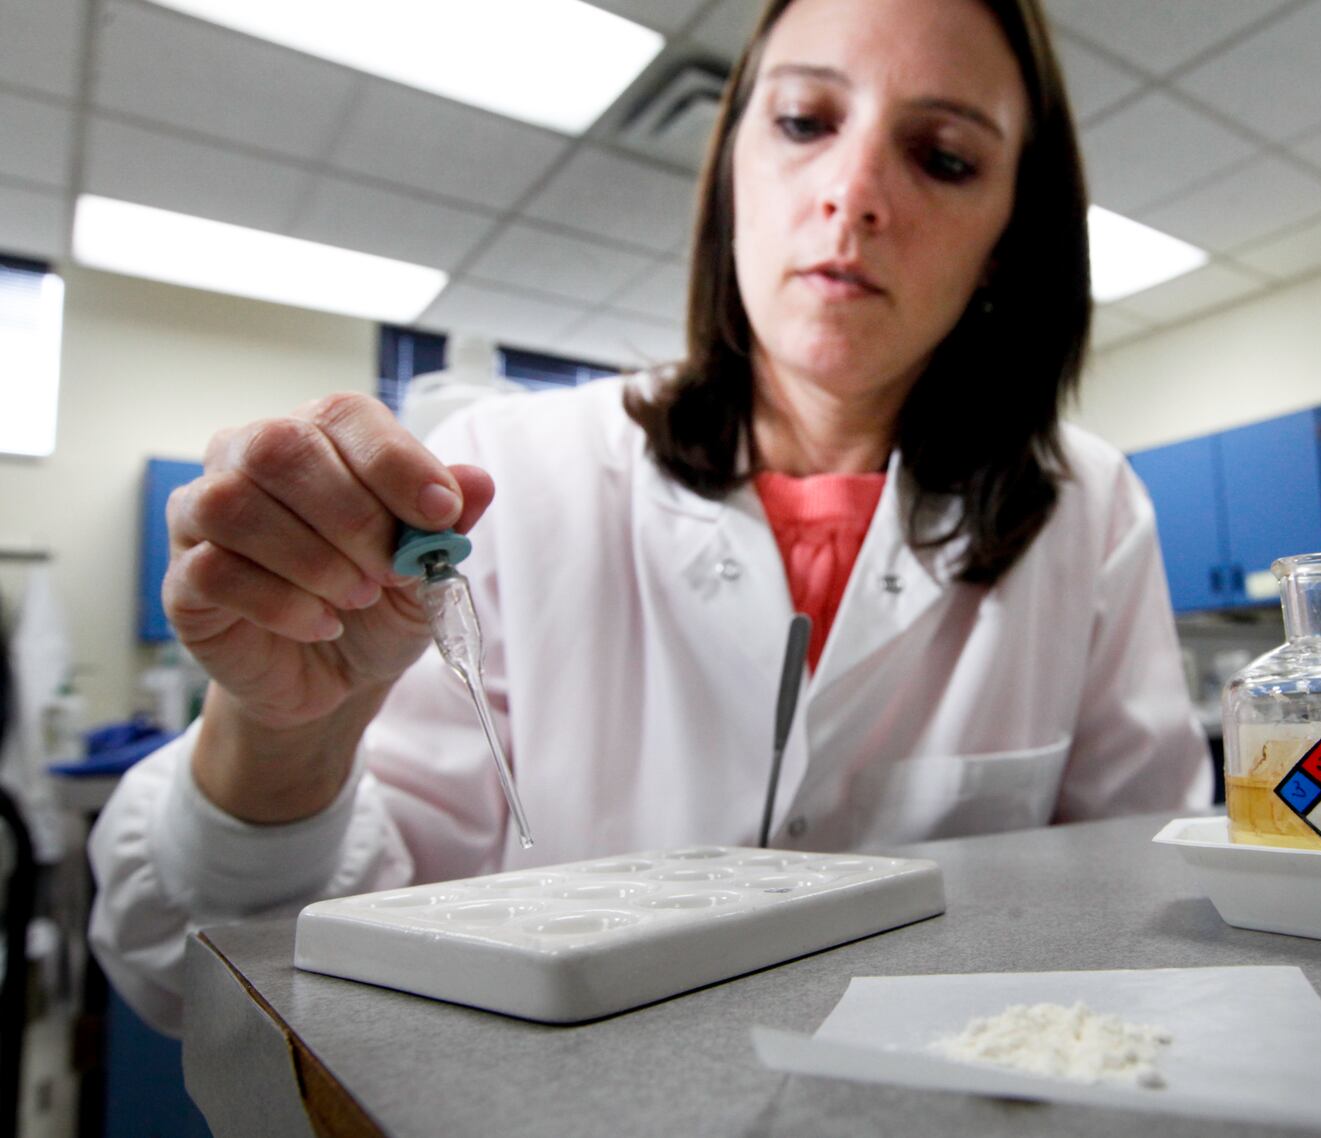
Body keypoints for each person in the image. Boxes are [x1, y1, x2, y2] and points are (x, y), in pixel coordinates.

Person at [89, 0, 1212, 1034]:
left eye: (944, 156)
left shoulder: (1088, 509)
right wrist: (287, 739)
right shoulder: (502, 479)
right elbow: (235, 974)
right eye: (804, 119)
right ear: (731, 169)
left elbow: (1147, 906)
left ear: (1008, 234)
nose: (855, 191)